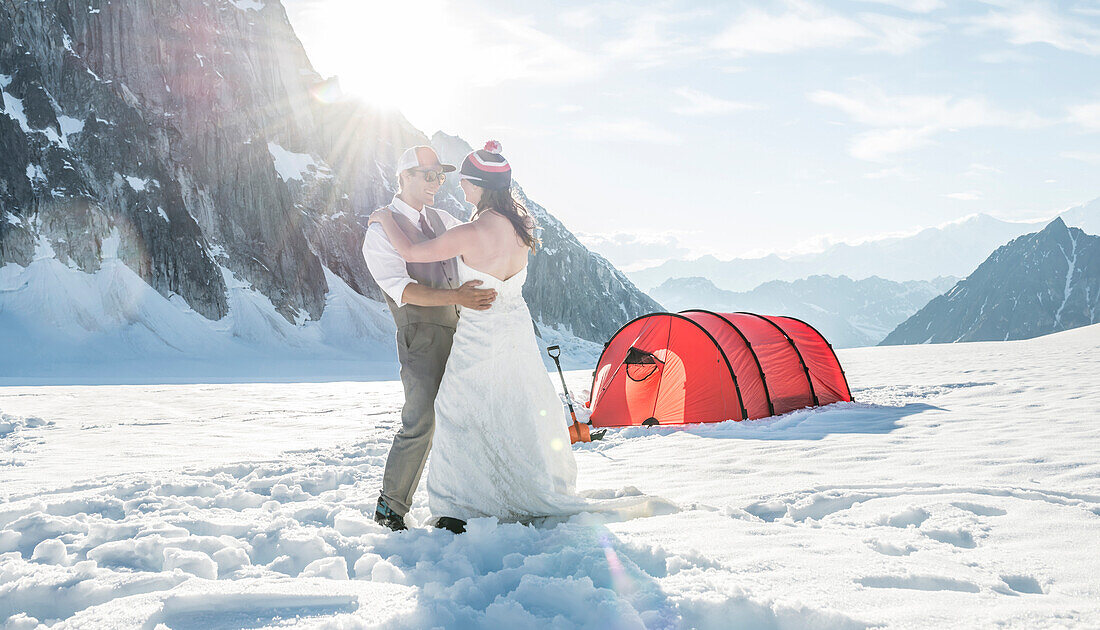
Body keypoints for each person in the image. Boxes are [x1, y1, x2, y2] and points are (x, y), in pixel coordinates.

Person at [372, 141, 669, 533]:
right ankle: (506, 488)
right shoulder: (521, 226)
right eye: (436, 177)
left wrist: (382, 216)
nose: (453, 187)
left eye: (459, 180)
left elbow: (411, 249)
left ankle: (460, 503)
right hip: (513, 333)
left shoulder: (468, 230)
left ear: (478, 185)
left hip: (477, 335)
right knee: (514, 408)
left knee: (458, 413)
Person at [361, 145, 498, 531]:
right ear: (402, 177)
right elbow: (402, 289)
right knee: (421, 419)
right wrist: (457, 296)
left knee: (463, 418)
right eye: (427, 174)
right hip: (419, 333)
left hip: (461, 329)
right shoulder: (380, 230)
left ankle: (457, 505)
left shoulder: (441, 217)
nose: (436, 183)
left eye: (440, 175)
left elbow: (478, 240)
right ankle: (390, 506)